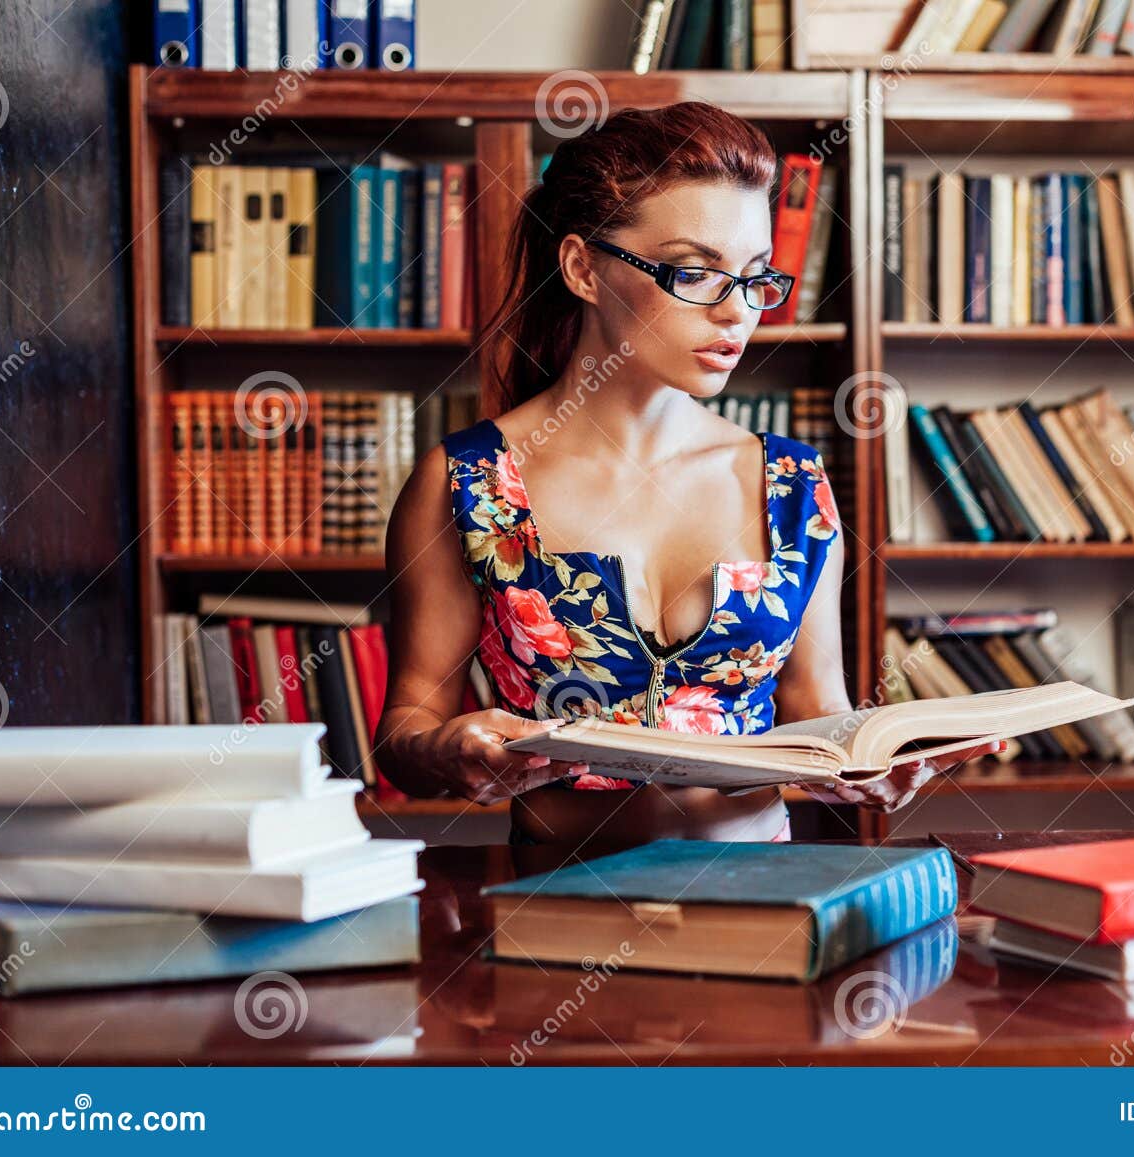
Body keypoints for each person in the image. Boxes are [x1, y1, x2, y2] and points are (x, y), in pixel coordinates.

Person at [376, 100, 1000, 846]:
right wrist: (446, 752)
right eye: (696, 272)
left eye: (755, 277)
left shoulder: (793, 487)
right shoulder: (466, 483)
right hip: (555, 903)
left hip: (764, 908)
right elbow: (405, 729)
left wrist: (870, 768)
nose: (737, 311)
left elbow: (815, 710)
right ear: (582, 267)